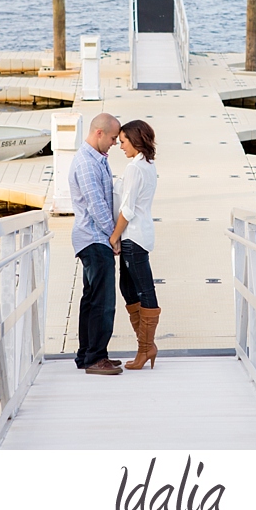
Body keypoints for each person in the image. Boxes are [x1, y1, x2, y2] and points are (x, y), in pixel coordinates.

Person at [69, 112, 123, 375]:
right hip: (94, 238)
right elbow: (96, 205)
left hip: (93, 237)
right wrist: (114, 236)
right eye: (113, 138)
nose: (115, 142)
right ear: (99, 132)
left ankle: (86, 355)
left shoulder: (96, 158)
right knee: (103, 301)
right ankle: (96, 358)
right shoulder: (87, 163)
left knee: (91, 299)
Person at [109, 119, 161, 370]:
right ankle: (145, 346)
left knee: (141, 290)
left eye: (123, 141)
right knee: (129, 289)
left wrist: (113, 236)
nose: (120, 146)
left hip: (133, 237)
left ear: (135, 139)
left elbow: (127, 209)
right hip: (138, 235)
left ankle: (146, 348)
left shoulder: (135, 168)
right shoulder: (147, 165)